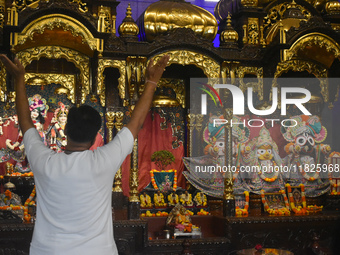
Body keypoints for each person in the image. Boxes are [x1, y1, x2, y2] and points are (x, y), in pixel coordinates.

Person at [0, 53, 169, 255]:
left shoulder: (44, 161)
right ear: (94, 136)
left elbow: (25, 121)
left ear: (67, 130)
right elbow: (136, 123)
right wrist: (151, 81)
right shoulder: (104, 161)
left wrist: (19, 78)